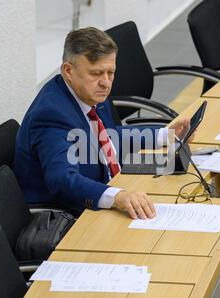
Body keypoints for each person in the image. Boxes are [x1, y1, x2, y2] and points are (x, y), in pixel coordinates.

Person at [14, 27, 192, 219]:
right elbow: (63, 179)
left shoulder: (90, 91)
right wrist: (118, 196)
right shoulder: (51, 114)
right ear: (68, 71)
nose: (106, 83)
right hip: (70, 213)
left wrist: (164, 135)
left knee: (178, 179)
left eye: (111, 72)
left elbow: (109, 135)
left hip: (104, 181)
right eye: (97, 73)